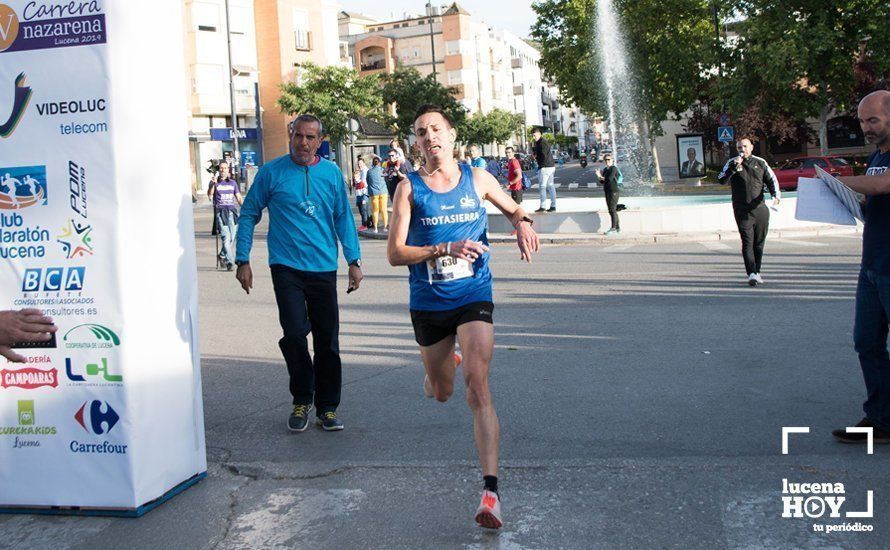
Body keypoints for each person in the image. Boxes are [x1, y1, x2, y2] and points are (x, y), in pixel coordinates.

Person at [387, 104, 540, 530]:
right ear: (416, 143)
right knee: (441, 392)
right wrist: (443, 249)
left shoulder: (477, 178)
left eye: (436, 129)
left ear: (452, 136)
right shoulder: (409, 189)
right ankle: (439, 367)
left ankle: (491, 492)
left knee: (478, 386)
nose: (430, 136)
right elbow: (395, 253)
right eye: (421, 132)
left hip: (474, 294)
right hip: (429, 302)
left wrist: (522, 222)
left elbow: (514, 209)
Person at [235, 114, 363, 433]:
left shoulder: (332, 174)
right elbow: (249, 213)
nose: (303, 143)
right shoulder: (272, 173)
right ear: (291, 136)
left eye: (310, 138)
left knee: (326, 340)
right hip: (286, 266)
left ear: (320, 141)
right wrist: (242, 259)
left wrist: (354, 260)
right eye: (298, 136)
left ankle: (328, 407)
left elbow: (343, 219)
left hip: (322, 268)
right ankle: (302, 398)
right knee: (294, 335)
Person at [832, 90, 890, 444]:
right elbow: (875, 200)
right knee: (866, 342)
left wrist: (834, 182)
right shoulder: (875, 156)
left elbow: (885, 184)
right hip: (872, 264)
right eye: (862, 121)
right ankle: (880, 420)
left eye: (873, 120)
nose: (866, 127)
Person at [717, 137, 780, 286]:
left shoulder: (760, 162)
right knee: (747, 241)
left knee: (759, 243)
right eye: (739, 147)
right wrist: (733, 168)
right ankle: (751, 273)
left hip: (760, 208)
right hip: (742, 210)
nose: (742, 150)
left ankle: (757, 271)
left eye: (745, 146)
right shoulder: (732, 162)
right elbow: (721, 179)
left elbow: (772, 180)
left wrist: (776, 196)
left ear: (751, 147)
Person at [207, 161, 242, 270]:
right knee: (226, 238)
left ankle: (222, 255)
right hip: (221, 212)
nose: (223, 170)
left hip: (232, 212)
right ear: (219, 170)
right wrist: (212, 185)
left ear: (228, 170)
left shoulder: (233, 183)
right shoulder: (214, 182)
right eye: (221, 168)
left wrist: (245, 209)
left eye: (225, 168)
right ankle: (230, 262)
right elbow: (210, 195)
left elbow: (238, 197)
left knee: (232, 237)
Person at [532, 128, 556, 212]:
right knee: (550, 186)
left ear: (539, 134)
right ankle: (553, 206)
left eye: (534, 135)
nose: (533, 137)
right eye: (533, 135)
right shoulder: (540, 142)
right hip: (549, 166)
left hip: (545, 167)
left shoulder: (542, 143)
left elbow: (543, 155)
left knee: (542, 187)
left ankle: (543, 206)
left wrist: (536, 157)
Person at [595, 153, 621, 235]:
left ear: (612, 160)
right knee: (611, 210)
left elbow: (609, 179)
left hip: (614, 191)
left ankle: (613, 228)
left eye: (609, 159)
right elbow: (602, 181)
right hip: (607, 191)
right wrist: (598, 176)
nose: (607, 161)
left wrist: (600, 175)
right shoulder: (606, 170)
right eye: (605, 160)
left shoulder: (613, 168)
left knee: (612, 210)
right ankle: (617, 228)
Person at [367, 156, 388, 232]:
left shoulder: (369, 172)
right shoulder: (383, 170)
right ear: (379, 163)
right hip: (383, 192)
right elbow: (386, 179)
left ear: (373, 163)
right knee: (384, 210)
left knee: (375, 211)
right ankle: (385, 227)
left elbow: (368, 181)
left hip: (374, 193)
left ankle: (375, 228)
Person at [353, 159, 370, 231]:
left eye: (361, 163)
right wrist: (357, 201)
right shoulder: (357, 184)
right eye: (358, 163)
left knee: (364, 211)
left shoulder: (365, 171)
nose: (359, 165)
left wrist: (364, 198)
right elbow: (357, 194)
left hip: (364, 196)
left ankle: (365, 224)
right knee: (362, 212)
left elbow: (365, 189)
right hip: (360, 198)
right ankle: (367, 224)